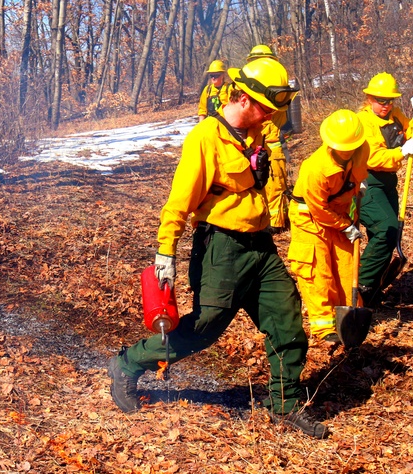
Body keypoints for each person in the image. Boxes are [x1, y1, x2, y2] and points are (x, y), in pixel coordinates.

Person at [107, 58, 329, 439]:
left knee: (287, 321)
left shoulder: (257, 132)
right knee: (205, 329)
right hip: (221, 248)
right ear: (243, 98)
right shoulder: (206, 137)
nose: (269, 118)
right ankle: (129, 363)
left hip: (260, 247)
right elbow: (180, 199)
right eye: (264, 109)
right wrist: (166, 251)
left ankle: (284, 403)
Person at [287, 110, 369, 344]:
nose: (347, 150)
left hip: (341, 212)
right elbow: (318, 210)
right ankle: (323, 326)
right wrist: (345, 226)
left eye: (352, 146)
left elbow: (361, 168)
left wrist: (358, 185)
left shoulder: (362, 148)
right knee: (318, 270)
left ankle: (350, 318)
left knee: (347, 266)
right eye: (343, 146)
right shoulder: (316, 169)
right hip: (310, 218)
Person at [356, 72, 413, 306]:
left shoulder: (396, 115)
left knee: (390, 234)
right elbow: (373, 157)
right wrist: (401, 152)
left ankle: (373, 290)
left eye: (390, 100)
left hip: (389, 181)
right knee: (385, 229)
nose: (386, 106)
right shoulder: (364, 121)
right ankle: (360, 285)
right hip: (366, 180)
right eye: (380, 100)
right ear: (369, 98)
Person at [246, 45, 291, 231]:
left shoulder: (279, 89)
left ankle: (276, 223)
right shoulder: (249, 88)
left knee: (276, 185)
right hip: (253, 145)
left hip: (274, 145)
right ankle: (261, 221)